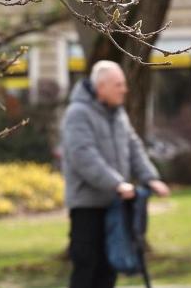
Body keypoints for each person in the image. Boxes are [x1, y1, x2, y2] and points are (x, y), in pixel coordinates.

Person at [61, 60, 171, 288]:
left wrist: (151, 177)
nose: (124, 90)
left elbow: (133, 147)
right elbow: (83, 156)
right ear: (101, 86)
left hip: (113, 204)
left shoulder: (118, 114)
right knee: (86, 268)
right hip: (87, 206)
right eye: (118, 85)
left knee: (108, 269)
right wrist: (117, 183)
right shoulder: (77, 113)